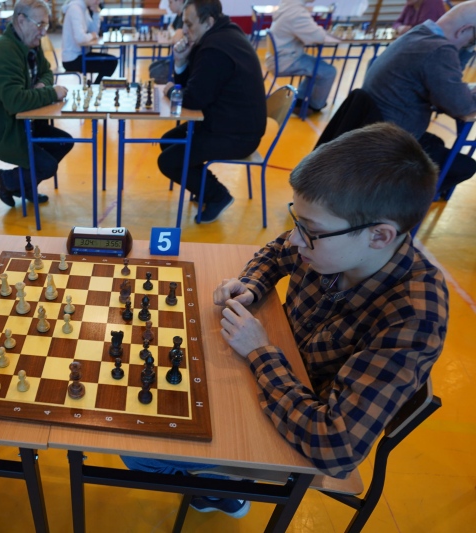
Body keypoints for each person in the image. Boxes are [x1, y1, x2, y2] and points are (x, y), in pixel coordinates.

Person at [124, 122, 448, 517]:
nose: (295, 240)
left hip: (297, 427)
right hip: (272, 374)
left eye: (309, 230)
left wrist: (259, 352)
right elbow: (277, 251)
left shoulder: (414, 317)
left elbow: (336, 447)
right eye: (297, 222)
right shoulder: (335, 244)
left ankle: (226, 491)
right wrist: (251, 285)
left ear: (379, 236)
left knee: (139, 450)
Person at [158, 0, 266, 223]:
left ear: (208, 21)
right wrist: (181, 62)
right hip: (226, 123)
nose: (184, 30)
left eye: (189, 24)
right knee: (168, 142)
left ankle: (217, 195)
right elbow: (193, 87)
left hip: (237, 135)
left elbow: (193, 98)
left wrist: (170, 90)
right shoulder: (221, 34)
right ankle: (204, 187)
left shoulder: (215, 49)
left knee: (168, 161)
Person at [363, 1, 476, 195]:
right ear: (463, 30)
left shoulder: (419, 33)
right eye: (470, 42)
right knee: (465, 166)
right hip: (393, 141)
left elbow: (447, 86)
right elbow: (463, 108)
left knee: (437, 142)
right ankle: (407, 199)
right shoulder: (439, 50)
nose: (467, 47)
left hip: (376, 127)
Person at [0, 0, 74, 207]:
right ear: (21, 20)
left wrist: (41, 86)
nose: (44, 32)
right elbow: (16, 102)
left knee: (64, 142)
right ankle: (7, 180)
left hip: (23, 123)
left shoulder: (30, 44)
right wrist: (50, 92)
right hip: (1, 131)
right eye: (40, 25)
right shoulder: (5, 52)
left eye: (46, 25)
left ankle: (22, 186)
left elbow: (47, 72)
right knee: (47, 166)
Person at [265, 0, 339, 114]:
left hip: (279, 57)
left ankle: (299, 100)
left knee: (317, 65)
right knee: (328, 71)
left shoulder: (288, 4)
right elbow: (318, 36)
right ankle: (315, 105)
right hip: (285, 61)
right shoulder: (296, 11)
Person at [60, 0, 119, 83]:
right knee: (110, 64)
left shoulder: (84, 9)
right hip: (72, 59)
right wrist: (92, 35)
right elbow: (80, 38)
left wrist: (96, 13)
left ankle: (96, 87)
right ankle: (96, 88)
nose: (98, 2)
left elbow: (94, 31)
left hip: (81, 54)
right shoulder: (75, 9)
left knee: (112, 61)